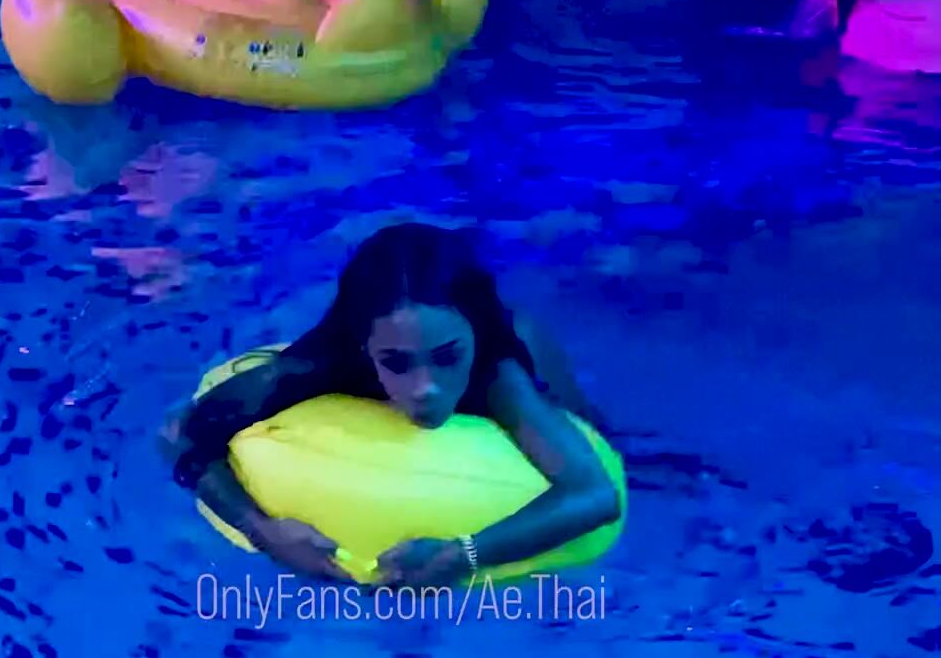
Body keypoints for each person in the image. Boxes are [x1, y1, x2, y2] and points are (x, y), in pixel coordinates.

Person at [160, 222, 620, 589]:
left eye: (447, 358)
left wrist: (462, 554)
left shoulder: (498, 374)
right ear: (364, 346)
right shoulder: (317, 367)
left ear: (474, 337)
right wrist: (264, 532)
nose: (425, 389)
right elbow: (179, 435)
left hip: (529, 360)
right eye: (397, 363)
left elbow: (596, 495)